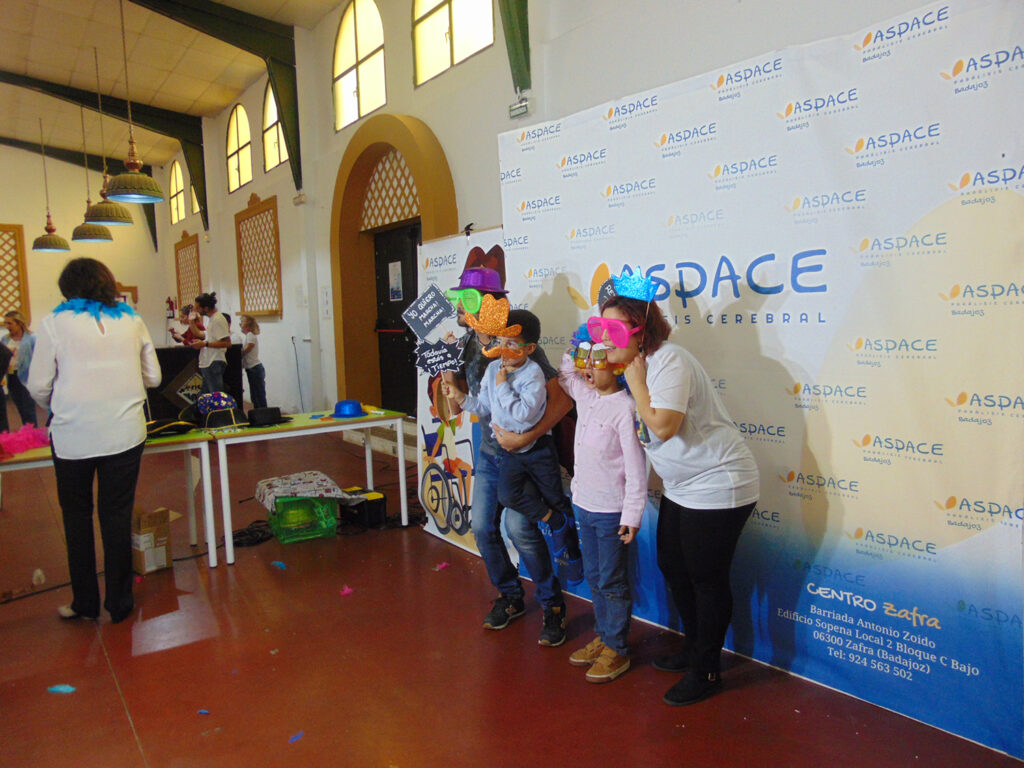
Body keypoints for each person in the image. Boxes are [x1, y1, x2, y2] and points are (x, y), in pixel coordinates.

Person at [597, 269, 759, 705]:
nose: (604, 337)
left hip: (719, 481)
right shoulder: (631, 365)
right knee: (673, 564)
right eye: (600, 327)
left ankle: (707, 670)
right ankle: (694, 647)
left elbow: (664, 427)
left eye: (614, 329)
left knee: (706, 578)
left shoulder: (670, 360)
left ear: (640, 329)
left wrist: (636, 384)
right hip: (682, 485)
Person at [441, 267, 573, 647]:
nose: (462, 307)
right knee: (482, 527)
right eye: (460, 299)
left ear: (492, 303)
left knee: (519, 529)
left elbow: (562, 401)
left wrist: (524, 438)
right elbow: (464, 407)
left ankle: (552, 606)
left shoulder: (520, 344)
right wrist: (448, 380)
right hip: (489, 454)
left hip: (526, 457)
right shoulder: (467, 344)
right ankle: (510, 595)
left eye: (470, 299)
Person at [28, 258, 161, 623]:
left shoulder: (54, 323)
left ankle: (85, 602)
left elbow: (38, 385)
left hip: (73, 435)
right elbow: (154, 377)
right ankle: (120, 603)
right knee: (117, 515)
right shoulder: (132, 320)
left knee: (77, 517)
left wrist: (61, 403)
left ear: (67, 290)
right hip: (125, 432)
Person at [557, 326, 647, 683]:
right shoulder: (586, 396)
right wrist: (580, 344)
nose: (588, 369)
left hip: (611, 512)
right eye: (586, 361)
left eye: (598, 361)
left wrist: (632, 514)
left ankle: (617, 648)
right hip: (584, 504)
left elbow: (637, 469)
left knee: (611, 580)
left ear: (619, 366)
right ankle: (604, 635)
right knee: (594, 577)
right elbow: (565, 374)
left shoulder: (625, 408)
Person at [1, 310, 38, 428]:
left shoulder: (32, 338)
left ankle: (33, 433)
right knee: (20, 407)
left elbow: (38, 357)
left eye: (10, 323)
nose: (7, 326)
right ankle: (26, 432)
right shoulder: (5, 339)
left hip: (27, 377)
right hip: (12, 376)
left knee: (28, 409)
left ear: (19, 323)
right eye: (5, 323)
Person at [190, 292, 230, 394]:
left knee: (216, 395)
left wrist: (204, 344)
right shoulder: (212, 319)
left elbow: (227, 343)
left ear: (206, 308)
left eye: (198, 308)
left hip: (214, 361)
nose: (196, 310)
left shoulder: (218, 319)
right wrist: (191, 321)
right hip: (208, 362)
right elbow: (199, 334)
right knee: (205, 395)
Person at [239, 314, 267, 408]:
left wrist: (239, 355)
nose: (240, 325)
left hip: (254, 369)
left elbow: (249, 347)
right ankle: (259, 412)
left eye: (242, 322)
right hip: (252, 369)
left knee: (258, 395)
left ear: (247, 326)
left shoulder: (250, 335)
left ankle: (262, 413)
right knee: (255, 396)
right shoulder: (248, 336)